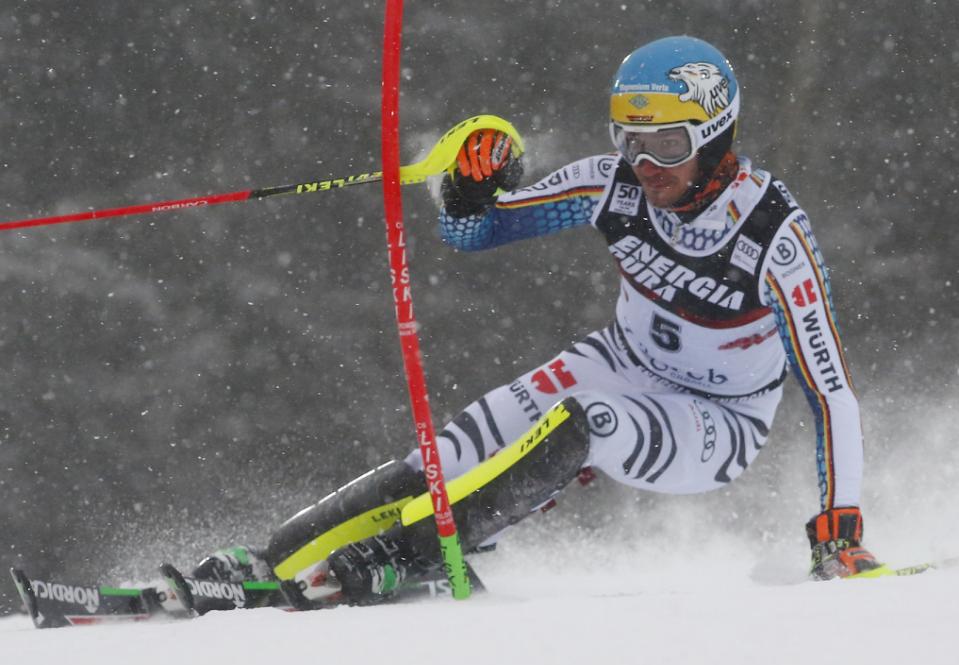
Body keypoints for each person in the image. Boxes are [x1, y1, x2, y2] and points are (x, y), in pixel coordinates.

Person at [192, 35, 881, 608]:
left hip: (718, 419)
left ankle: (415, 558)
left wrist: (836, 532)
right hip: (622, 359)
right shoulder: (612, 185)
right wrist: (469, 186)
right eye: (629, 141)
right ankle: (271, 557)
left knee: (589, 420)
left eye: (667, 146)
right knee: (455, 446)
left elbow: (829, 391)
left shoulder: (771, 234)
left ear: (715, 135)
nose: (646, 167)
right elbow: (476, 233)